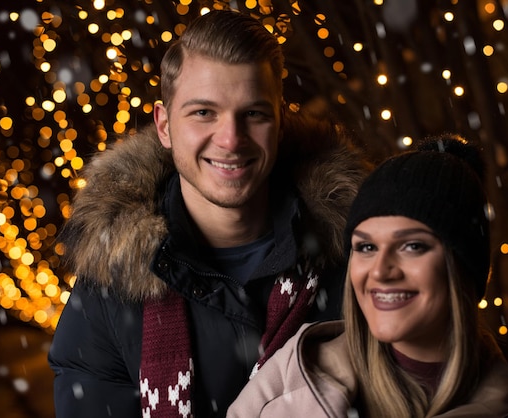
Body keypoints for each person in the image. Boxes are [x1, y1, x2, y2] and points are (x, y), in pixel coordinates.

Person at [48, 9, 370, 418]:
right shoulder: (110, 284)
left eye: (253, 113)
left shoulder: (357, 258)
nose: (231, 139)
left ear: (281, 123)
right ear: (164, 126)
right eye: (203, 112)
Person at [227, 134, 508, 417]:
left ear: (462, 266)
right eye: (366, 247)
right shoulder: (290, 378)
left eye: (412, 246)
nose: (381, 271)